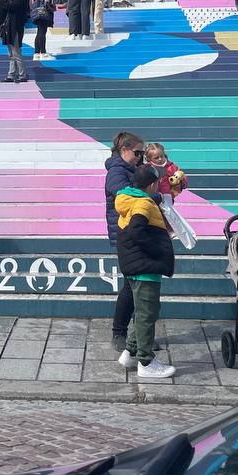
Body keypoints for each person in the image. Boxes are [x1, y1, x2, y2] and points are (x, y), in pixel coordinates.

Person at [114, 164, 176, 382]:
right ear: (152, 184)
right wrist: (157, 250)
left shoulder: (130, 199)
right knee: (147, 314)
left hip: (135, 266)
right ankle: (146, 362)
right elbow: (136, 230)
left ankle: (130, 352)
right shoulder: (143, 204)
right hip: (145, 268)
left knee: (145, 312)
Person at [105, 132, 146, 350]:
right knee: (131, 284)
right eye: (138, 153)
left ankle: (139, 336)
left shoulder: (131, 169)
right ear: (124, 151)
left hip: (137, 231)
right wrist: (152, 196)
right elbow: (124, 196)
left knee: (138, 285)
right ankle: (119, 333)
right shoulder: (117, 171)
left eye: (143, 153)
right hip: (126, 234)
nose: (141, 157)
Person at [0, 0, 30, 83]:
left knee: (16, 53)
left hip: (16, 29)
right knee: (11, 54)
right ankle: (11, 74)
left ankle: (22, 75)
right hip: (10, 28)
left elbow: (9, 7)